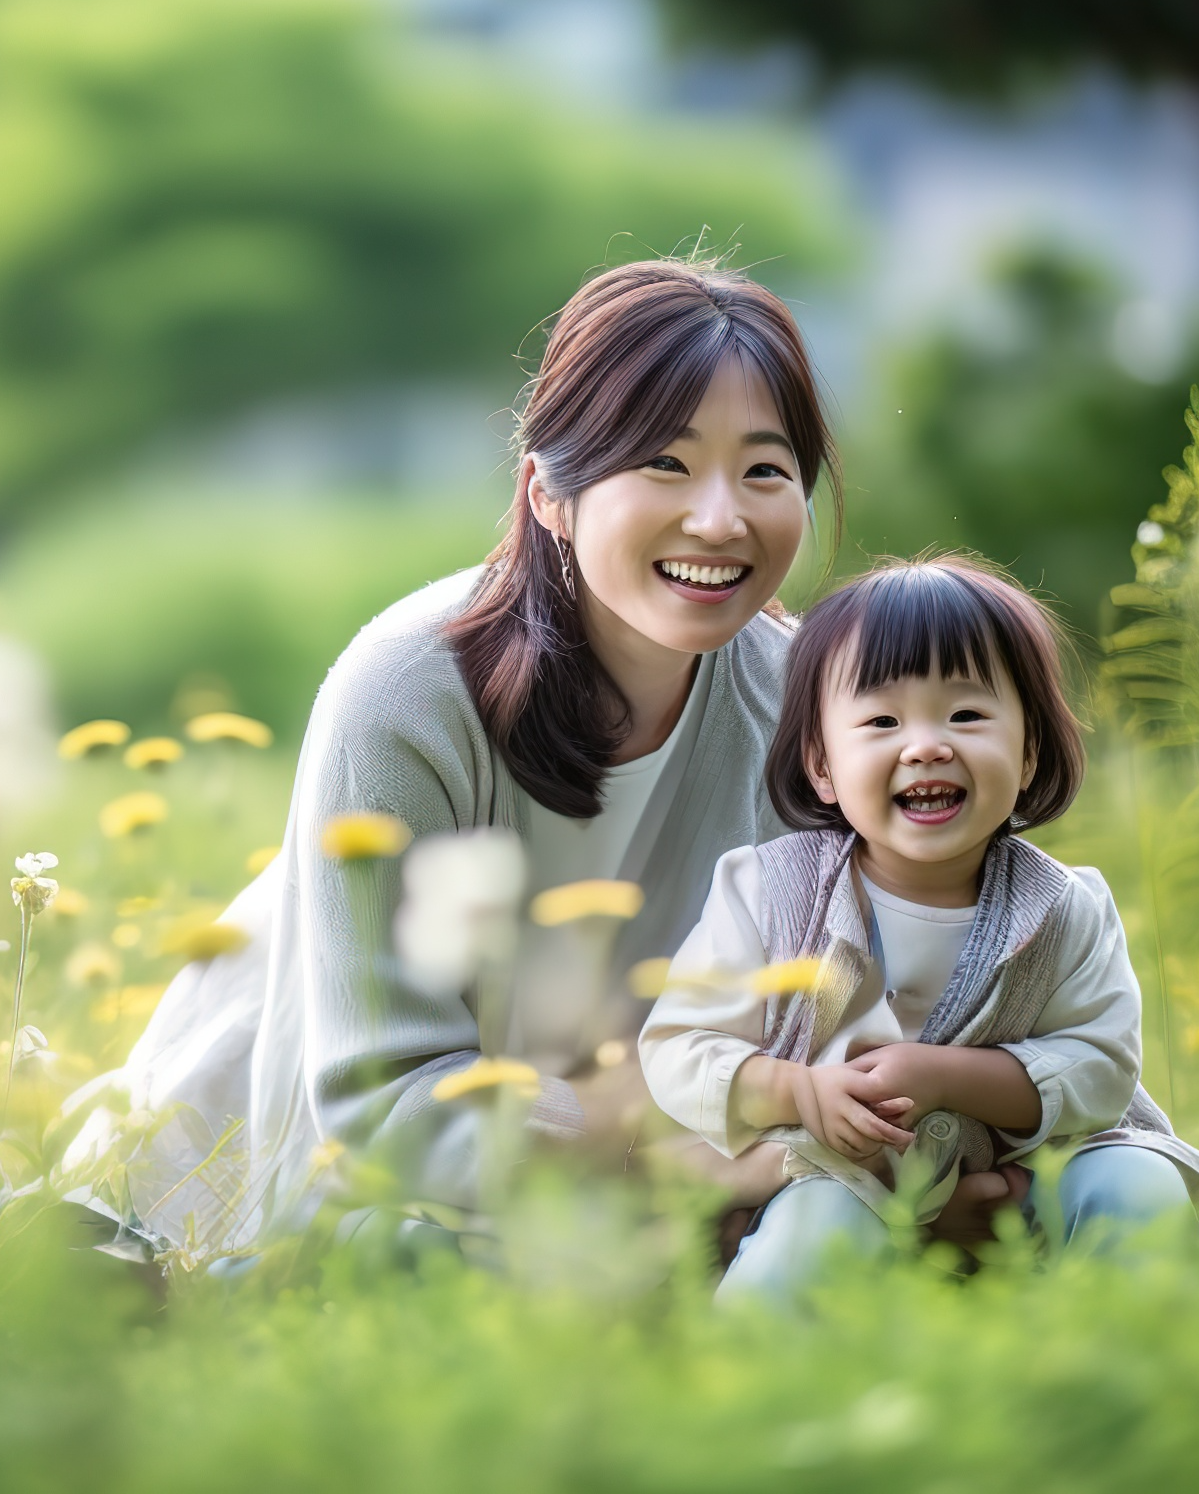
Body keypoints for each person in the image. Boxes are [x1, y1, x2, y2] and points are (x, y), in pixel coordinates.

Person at [57, 257, 841, 1256]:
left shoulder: (812, 708)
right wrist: (672, 1140)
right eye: (665, 463)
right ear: (549, 493)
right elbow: (385, 1102)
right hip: (273, 1192)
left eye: (765, 470)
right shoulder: (409, 691)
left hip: (620, 1217)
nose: (721, 517)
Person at [639, 555, 1199, 1303]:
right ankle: (755, 1386)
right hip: (843, 1184)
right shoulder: (767, 893)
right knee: (807, 1238)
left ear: (1029, 749)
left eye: (967, 715)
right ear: (822, 765)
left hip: (1023, 1191)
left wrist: (947, 1077)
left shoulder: (1061, 906)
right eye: (882, 721)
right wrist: (792, 1089)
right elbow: (679, 1047)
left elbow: (1101, 1066)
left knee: (1137, 1182)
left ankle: (1149, 1347)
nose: (926, 745)